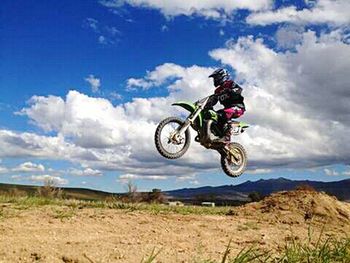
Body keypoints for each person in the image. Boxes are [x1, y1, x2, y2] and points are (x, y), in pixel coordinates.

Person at [207, 68, 245, 143]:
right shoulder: (217, 90)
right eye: (214, 78)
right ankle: (219, 136)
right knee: (215, 116)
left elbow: (239, 90)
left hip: (237, 107)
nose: (215, 80)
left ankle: (227, 137)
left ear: (222, 76)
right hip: (227, 109)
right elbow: (214, 100)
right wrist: (208, 104)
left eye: (216, 77)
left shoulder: (230, 83)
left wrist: (230, 90)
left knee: (224, 113)